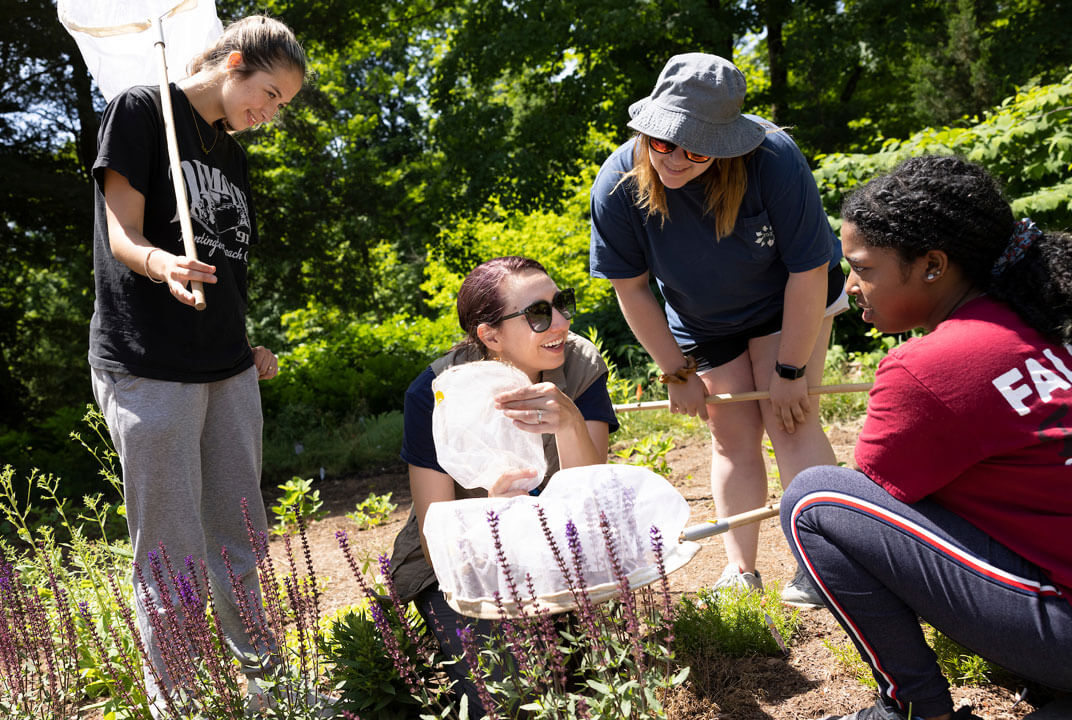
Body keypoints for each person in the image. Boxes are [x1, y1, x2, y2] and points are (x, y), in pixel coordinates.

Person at [780, 155, 1072, 720]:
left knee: (815, 501)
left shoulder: (926, 365)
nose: (852, 287)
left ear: (933, 265)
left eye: (862, 268)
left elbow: (875, 513)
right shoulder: (1040, 325)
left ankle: (913, 708)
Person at [85, 15, 306, 714]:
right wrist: (161, 264)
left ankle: (271, 689)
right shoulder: (143, 109)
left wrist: (246, 343)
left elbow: (226, 265)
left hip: (227, 368)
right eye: (269, 94)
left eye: (280, 107)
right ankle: (179, 702)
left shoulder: (230, 152)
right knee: (172, 555)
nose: (268, 115)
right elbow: (120, 232)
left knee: (243, 537)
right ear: (234, 61)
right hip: (149, 367)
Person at [588, 52, 844, 606]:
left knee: (790, 418)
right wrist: (675, 370)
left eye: (696, 149)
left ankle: (827, 564)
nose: (676, 159)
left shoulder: (773, 159)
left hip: (789, 302)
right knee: (731, 436)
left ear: (726, 145)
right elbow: (631, 289)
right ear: (647, 130)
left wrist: (790, 369)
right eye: (663, 143)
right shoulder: (617, 183)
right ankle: (740, 569)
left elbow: (809, 270)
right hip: (704, 320)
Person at [387, 256, 620, 718]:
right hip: (465, 564)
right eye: (538, 313)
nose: (560, 321)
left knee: (600, 679)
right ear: (489, 335)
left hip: (562, 551)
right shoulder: (435, 392)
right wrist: (495, 518)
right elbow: (438, 541)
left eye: (561, 303)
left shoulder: (579, 365)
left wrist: (571, 424)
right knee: (508, 699)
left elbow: (590, 500)